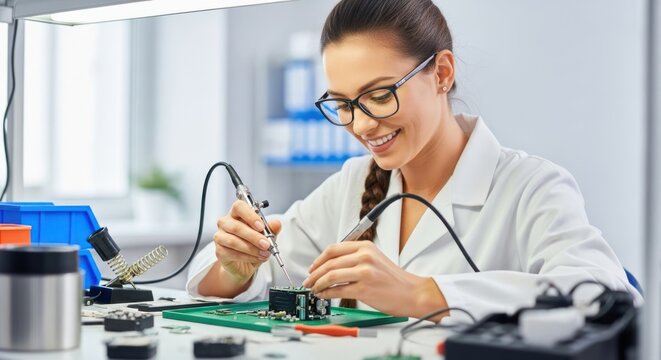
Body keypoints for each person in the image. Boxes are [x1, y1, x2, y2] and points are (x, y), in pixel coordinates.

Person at [186, 0, 642, 321]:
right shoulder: (352, 184)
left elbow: (606, 298)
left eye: (379, 95)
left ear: (441, 73)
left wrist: (423, 293)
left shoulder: (531, 187)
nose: (360, 126)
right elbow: (219, 282)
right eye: (343, 103)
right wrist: (235, 264)